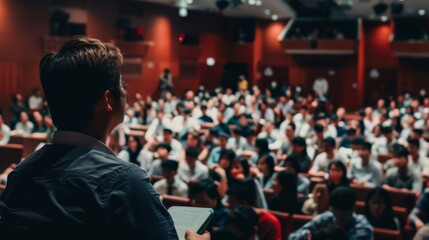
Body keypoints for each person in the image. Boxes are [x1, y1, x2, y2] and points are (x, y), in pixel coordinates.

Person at [0, 36, 209, 240]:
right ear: (108, 99)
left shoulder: (20, 175)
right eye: (122, 85)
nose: (125, 92)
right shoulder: (124, 183)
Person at [289, 187, 374, 240]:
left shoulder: (362, 226)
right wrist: (316, 235)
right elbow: (293, 237)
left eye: (343, 212)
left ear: (353, 209)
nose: (339, 216)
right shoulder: (327, 217)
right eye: (336, 211)